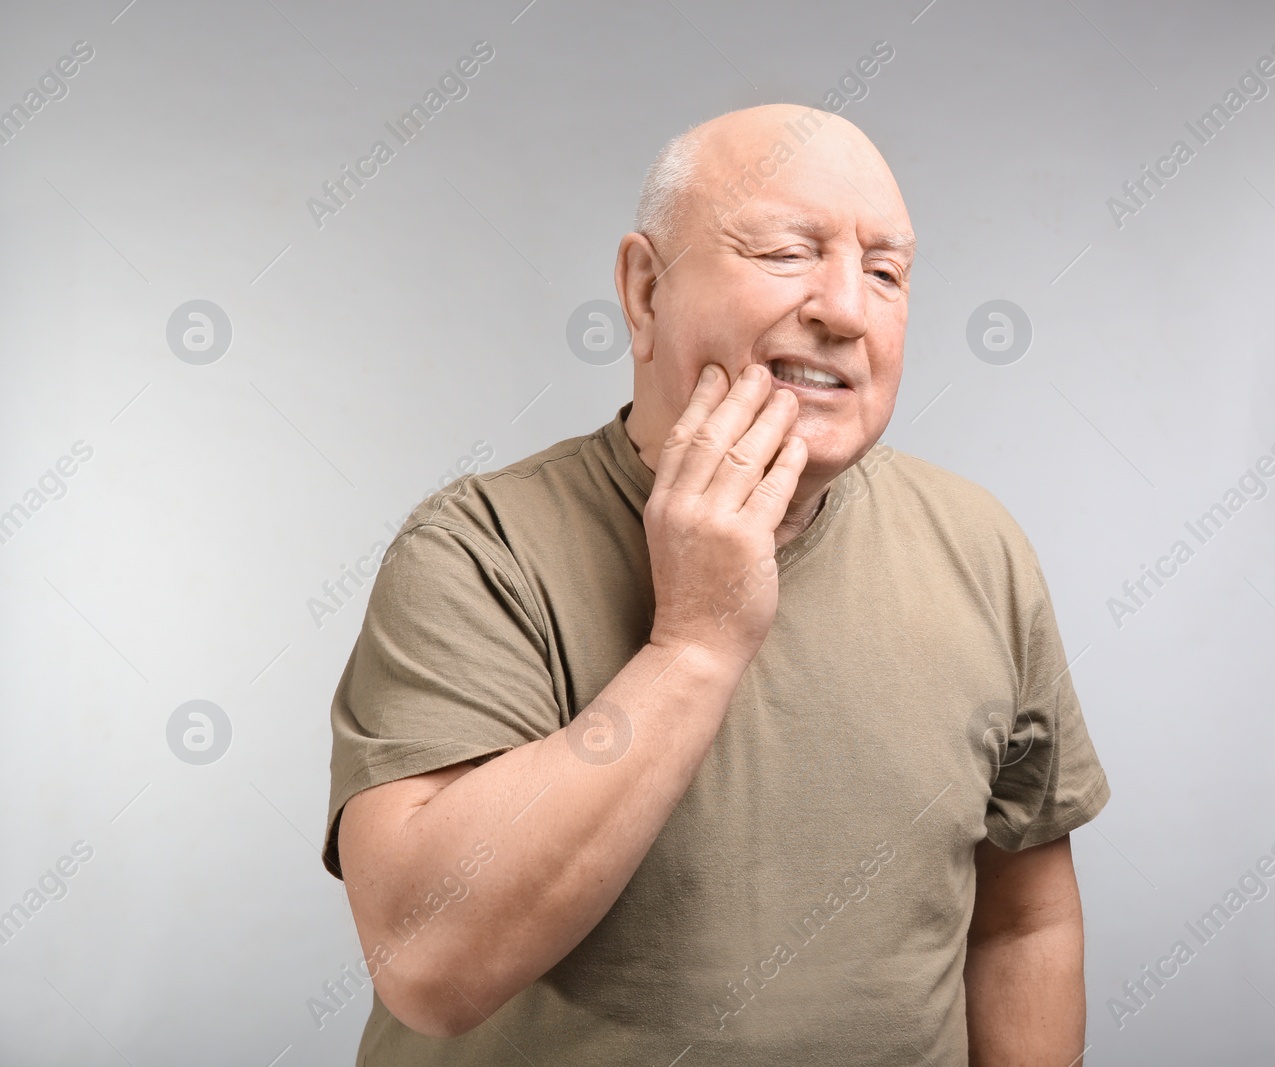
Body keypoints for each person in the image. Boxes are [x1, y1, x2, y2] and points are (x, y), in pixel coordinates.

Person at [322, 102, 1110, 1065]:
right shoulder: (478, 550)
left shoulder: (980, 546)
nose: (845, 309)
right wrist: (694, 644)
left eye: (886, 273)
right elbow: (427, 964)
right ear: (644, 290)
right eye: (786, 253)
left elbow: (1021, 924)